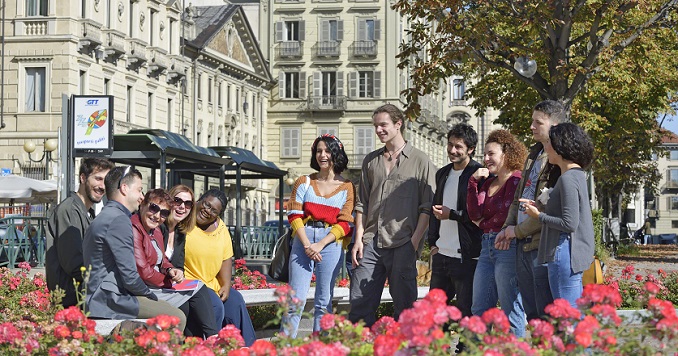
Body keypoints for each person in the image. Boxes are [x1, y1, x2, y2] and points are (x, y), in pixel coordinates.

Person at [349, 104, 437, 326]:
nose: (378, 130)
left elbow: (427, 206)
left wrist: (414, 242)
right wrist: (358, 240)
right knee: (359, 305)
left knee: (405, 309)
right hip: (371, 242)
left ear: (398, 124)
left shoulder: (420, 160)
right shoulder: (371, 160)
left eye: (383, 125)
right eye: (376, 126)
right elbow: (362, 203)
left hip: (403, 243)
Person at [82, 166, 186, 331]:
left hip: (100, 296)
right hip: (109, 300)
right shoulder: (119, 219)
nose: (141, 196)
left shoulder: (107, 215)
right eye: (139, 190)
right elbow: (130, 277)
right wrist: (151, 295)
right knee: (177, 317)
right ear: (124, 188)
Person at [494, 99, 566, 320]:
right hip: (522, 243)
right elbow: (519, 197)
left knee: (546, 313)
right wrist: (508, 227)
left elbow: (550, 207)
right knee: (532, 312)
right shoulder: (534, 153)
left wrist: (517, 231)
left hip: (541, 243)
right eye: (532, 121)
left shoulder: (561, 159)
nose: (532, 127)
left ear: (554, 125)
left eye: (538, 122)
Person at [283, 134, 355, 337]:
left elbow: (346, 222)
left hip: (330, 242)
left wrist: (320, 244)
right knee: (294, 300)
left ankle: (321, 348)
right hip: (302, 239)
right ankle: (284, 348)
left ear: (336, 153)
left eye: (327, 151)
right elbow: (293, 213)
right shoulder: (304, 181)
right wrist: (307, 244)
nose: (322, 155)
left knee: (324, 301)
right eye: (318, 151)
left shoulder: (347, 187)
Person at [520, 123, 595, 308]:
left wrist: (538, 216)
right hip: (567, 251)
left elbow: (569, 223)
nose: (546, 148)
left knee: (567, 316)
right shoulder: (576, 175)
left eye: (549, 144)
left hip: (563, 250)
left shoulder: (568, 178)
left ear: (560, 146)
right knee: (573, 315)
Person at [132, 189, 218, 338]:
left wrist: (172, 270)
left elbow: (165, 260)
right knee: (187, 303)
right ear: (142, 205)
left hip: (159, 283)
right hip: (143, 289)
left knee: (205, 295)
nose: (157, 215)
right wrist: (169, 281)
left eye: (163, 213)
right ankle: (208, 341)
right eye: (153, 208)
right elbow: (144, 271)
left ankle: (201, 343)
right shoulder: (138, 228)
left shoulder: (161, 230)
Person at [467, 129, 527, 337]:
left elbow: (511, 215)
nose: (485, 159)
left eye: (491, 154)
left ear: (506, 154)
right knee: (479, 310)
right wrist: (473, 182)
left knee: (511, 311)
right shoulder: (488, 183)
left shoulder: (517, 181)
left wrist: (489, 224)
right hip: (486, 246)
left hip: (508, 247)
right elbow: (474, 214)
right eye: (484, 154)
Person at [183, 189, 256, 346]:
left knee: (236, 301)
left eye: (213, 211)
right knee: (215, 306)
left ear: (218, 215)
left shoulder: (220, 228)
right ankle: (211, 349)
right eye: (206, 204)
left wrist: (226, 284)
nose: (207, 211)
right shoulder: (184, 220)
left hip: (210, 283)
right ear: (198, 201)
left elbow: (226, 258)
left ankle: (247, 348)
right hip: (190, 284)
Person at [428, 123, 482, 320]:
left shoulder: (479, 174)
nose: (452, 150)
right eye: (450, 145)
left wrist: (452, 215)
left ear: (471, 149)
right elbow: (435, 208)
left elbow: (480, 216)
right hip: (442, 254)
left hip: (466, 257)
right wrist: (433, 244)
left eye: (458, 146)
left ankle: (465, 350)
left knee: (466, 313)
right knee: (435, 313)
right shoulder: (442, 173)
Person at [46, 158, 114, 307]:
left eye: (106, 181)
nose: (103, 186)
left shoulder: (87, 212)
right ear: (83, 178)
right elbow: (74, 263)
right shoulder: (70, 210)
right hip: (72, 301)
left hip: (83, 297)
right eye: (98, 179)